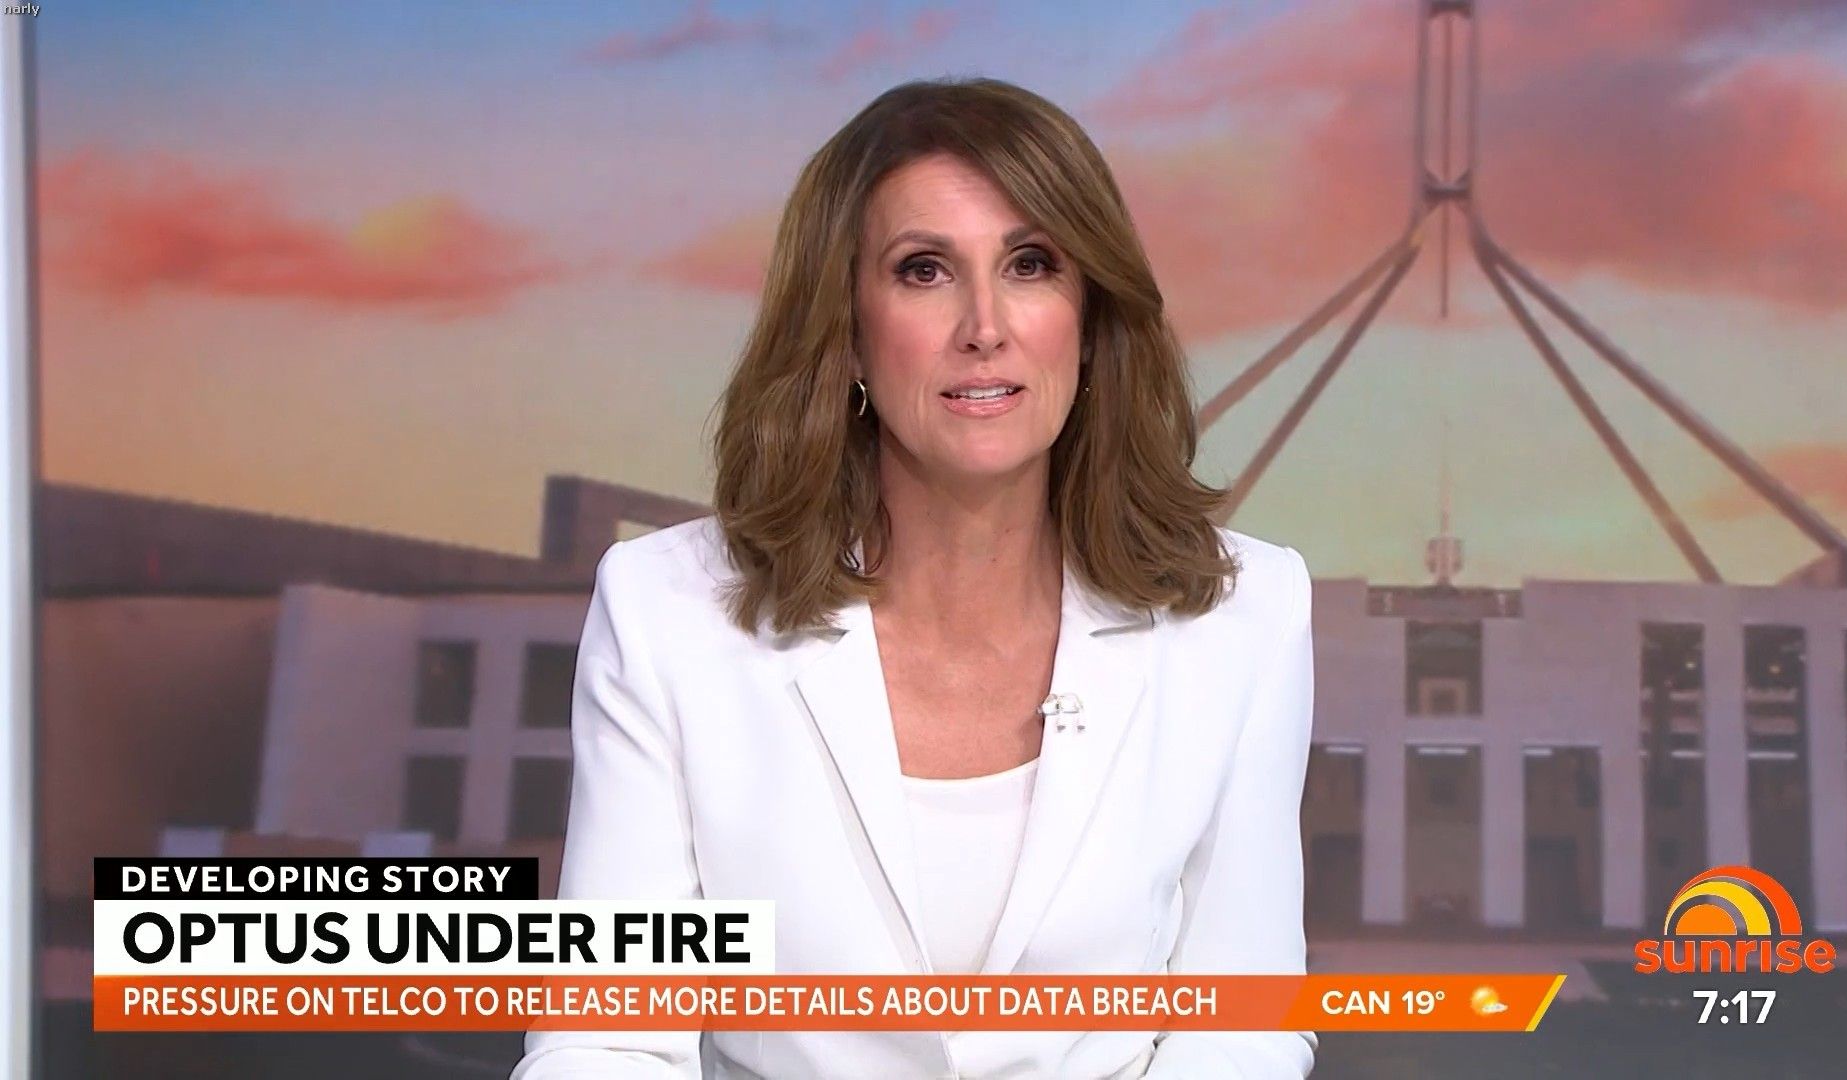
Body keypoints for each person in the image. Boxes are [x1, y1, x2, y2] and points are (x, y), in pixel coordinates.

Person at [513, 76, 1317, 1079]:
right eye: (924, 270)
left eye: (1030, 264)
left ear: (1090, 316)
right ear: (847, 328)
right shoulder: (665, 611)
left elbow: (1239, 1022)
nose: (985, 325)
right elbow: (608, 1036)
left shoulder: (1245, 616)